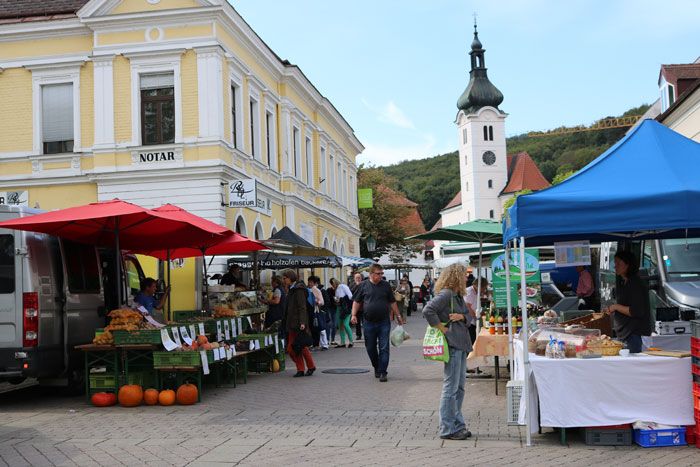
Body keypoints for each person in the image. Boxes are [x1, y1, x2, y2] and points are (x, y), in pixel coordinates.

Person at [422, 263, 473, 440]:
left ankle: (458, 424)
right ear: (456, 276)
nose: (467, 277)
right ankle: (447, 428)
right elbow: (428, 310)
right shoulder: (447, 294)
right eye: (464, 274)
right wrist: (443, 329)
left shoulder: (457, 296)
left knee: (459, 388)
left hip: (461, 344)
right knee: (451, 388)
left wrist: (462, 316)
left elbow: (469, 317)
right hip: (452, 344)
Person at [351, 264, 403, 382]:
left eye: (382, 273)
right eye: (378, 274)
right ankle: (377, 367)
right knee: (370, 347)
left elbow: (392, 301)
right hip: (368, 322)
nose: (381, 276)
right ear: (371, 274)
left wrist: (398, 315)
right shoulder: (363, 285)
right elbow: (357, 301)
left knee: (384, 347)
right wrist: (353, 315)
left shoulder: (385, 285)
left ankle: (383, 371)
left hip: (384, 321)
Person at [602, 251, 651, 353]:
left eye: (618, 263)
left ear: (628, 265)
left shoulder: (635, 283)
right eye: (615, 263)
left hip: (633, 334)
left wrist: (615, 307)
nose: (615, 266)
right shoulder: (624, 282)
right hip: (626, 334)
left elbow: (636, 311)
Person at [281, 269, 316, 377]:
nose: (283, 280)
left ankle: (306, 367)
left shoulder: (298, 290)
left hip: (297, 323)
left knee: (295, 347)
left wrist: (302, 322)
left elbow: (302, 307)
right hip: (291, 323)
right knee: (297, 347)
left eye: (285, 278)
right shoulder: (292, 289)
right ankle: (303, 368)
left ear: (290, 278)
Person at [330, 278, 354, 348]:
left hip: (345, 308)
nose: (332, 285)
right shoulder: (337, 288)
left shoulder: (343, 286)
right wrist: (337, 300)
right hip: (339, 308)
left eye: (332, 284)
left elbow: (350, 296)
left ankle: (351, 341)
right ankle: (343, 342)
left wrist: (341, 300)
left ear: (335, 283)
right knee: (340, 325)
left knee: (345, 324)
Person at [308, 276, 325, 349]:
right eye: (309, 282)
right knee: (312, 327)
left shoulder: (316, 290)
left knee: (316, 327)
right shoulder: (308, 290)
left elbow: (322, 302)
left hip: (315, 311)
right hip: (310, 310)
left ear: (315, 283)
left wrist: (317, 302)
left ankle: (316, 344)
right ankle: (314, 343)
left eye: (311, 282)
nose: (309, 283)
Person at [350, 272, 365, 340]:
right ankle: (358, 335)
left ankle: (366, 334)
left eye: (359, 277)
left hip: (364, 306)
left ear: (361, 278)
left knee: (365, 322)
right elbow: (351, 293)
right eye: (356, 278)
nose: (358, 279)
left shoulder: (364, 284)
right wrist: (357, 285)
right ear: (354, 278)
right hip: (356, 307)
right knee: (357, 322)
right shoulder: (352, 285)